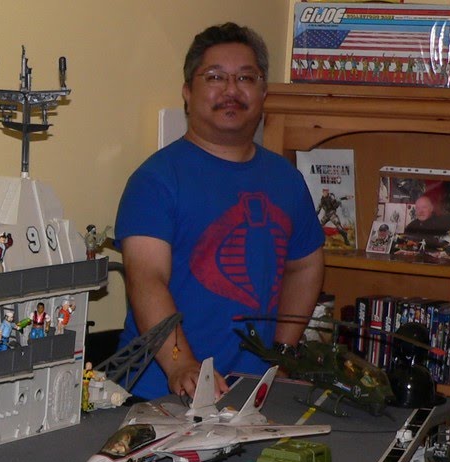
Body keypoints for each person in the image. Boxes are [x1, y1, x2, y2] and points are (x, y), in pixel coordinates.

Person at [116, 23, 324, 401]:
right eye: (215, 77)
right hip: (160, 395)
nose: (231, 90)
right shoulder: (156, 180)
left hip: (252, 395)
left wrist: (281, 353)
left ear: (263, 92)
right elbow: (146, 278)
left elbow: (306, 265)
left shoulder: (287, 179)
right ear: (187, 92)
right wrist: (181, 364)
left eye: (246, 77)